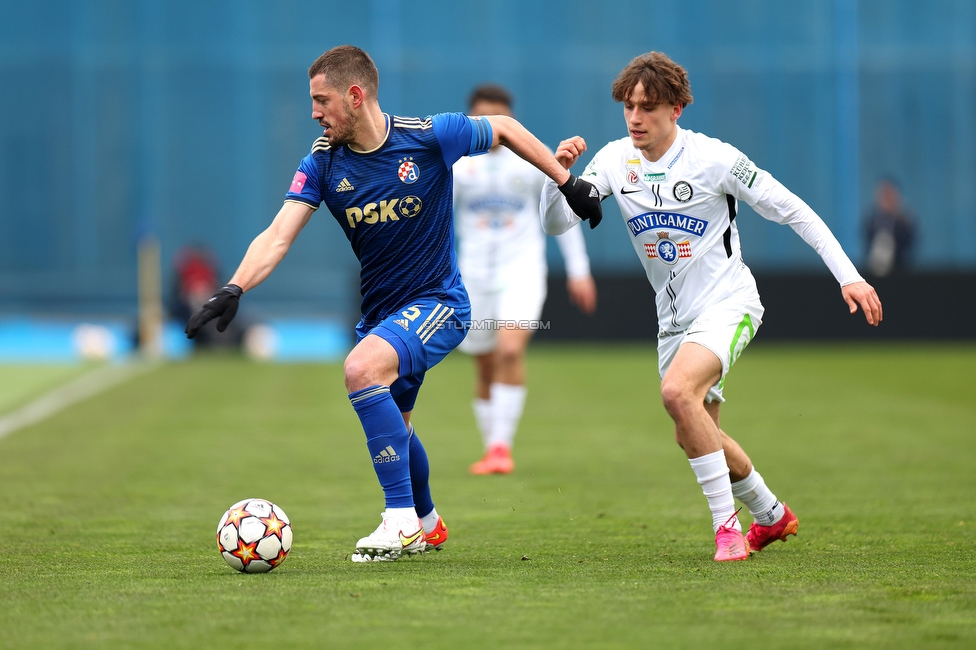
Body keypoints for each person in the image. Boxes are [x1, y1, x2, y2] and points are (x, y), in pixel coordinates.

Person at [185, 45, 602, 562]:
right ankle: (427, 522)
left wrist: (568, 183)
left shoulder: (427, 136)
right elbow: (277, 236)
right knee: (398, 427)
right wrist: (233, 288)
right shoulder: (321, 162)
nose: (314, 112)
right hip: (383, 316)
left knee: (360, 371)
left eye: (322, 100)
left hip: (440, 303)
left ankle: (399, 521)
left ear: (355, 96)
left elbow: (505, 128)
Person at [541, 51, 883, 562]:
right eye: (629, 107)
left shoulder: (715, 159)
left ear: (677, 109)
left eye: (648, 108)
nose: (635, 118)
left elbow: (792, 209)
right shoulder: (614, 160)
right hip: (673, 320)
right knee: (698, 435)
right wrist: (556, 176)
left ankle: (726, 529)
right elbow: (557, 225)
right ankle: (771, 515)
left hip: (729, 302)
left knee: (677, 392)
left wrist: (849, 276)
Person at [453, 84, 597, 475]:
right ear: (472, 122)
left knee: (510, 352)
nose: (493, 127)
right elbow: (433, 220)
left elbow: (562, 214)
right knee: (484, 363)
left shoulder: (531, 161)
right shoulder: (458, 166)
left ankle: (501, 448)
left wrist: (579, 271)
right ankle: (491, 447)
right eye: (483, 119)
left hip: (523, 272)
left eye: (500, 119)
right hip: (473, 277)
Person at [863, 176, 917, 276]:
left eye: (889, 194)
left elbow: (909, 244)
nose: (886, 198)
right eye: (884, 195)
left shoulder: (904, 222)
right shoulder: (872, 221)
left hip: (900, 272)